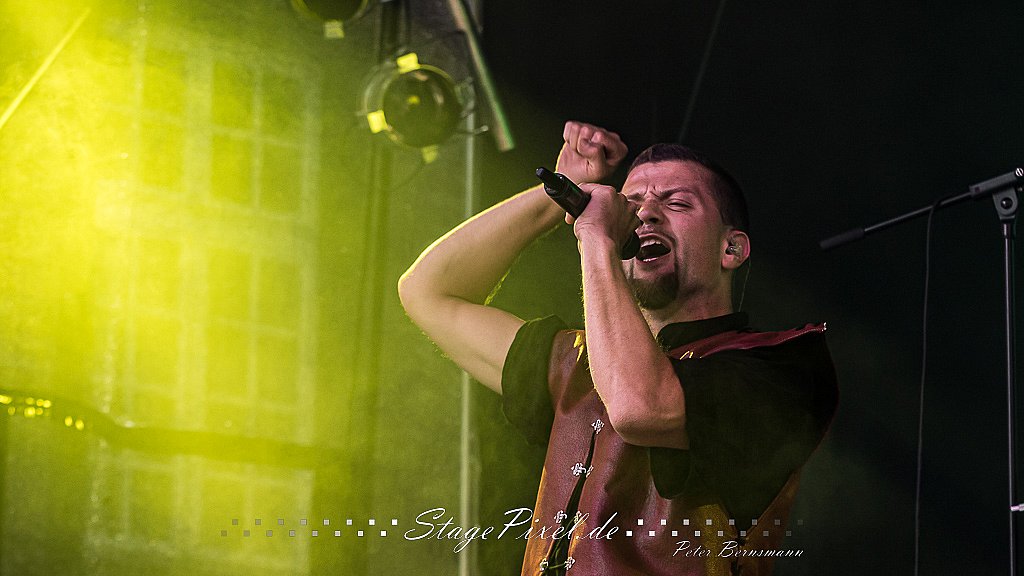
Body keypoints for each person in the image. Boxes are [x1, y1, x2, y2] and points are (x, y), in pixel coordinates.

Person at [398, 121, 838, 575]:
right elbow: (429, 291)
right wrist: (560, 193)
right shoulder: (575, 360)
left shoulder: (784, 365)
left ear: (732, 249)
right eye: (631, 205)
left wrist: (596, 237)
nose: (645, 214)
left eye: (677, 203)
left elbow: (638, 408)